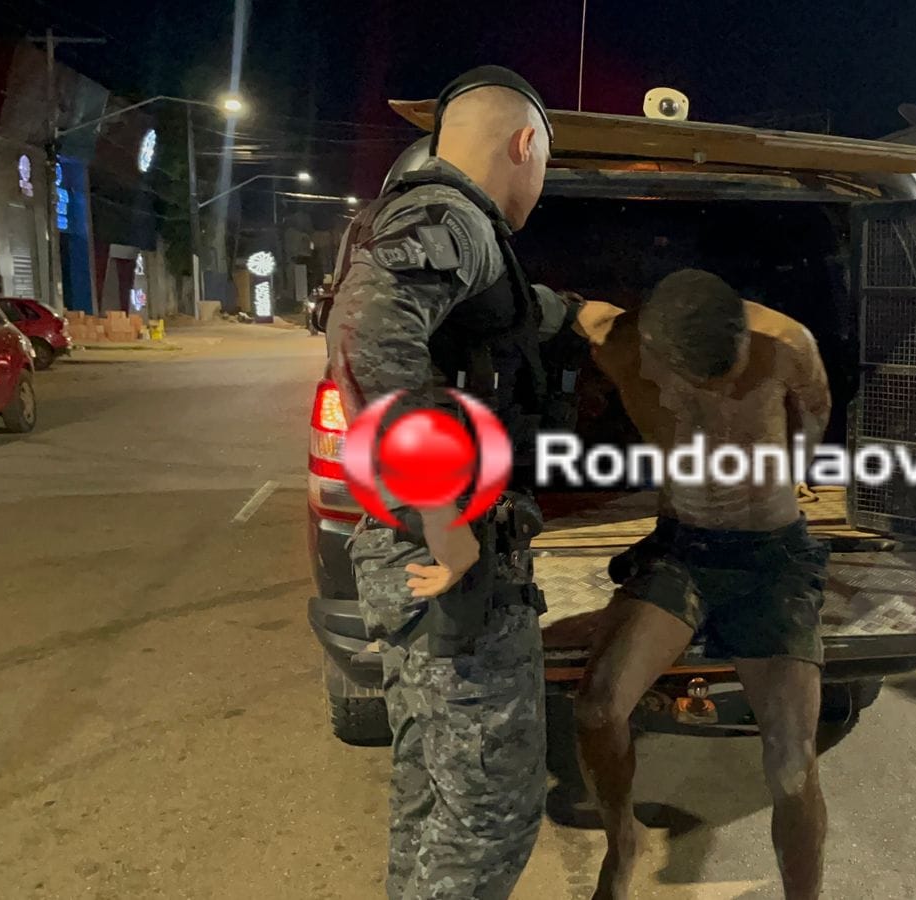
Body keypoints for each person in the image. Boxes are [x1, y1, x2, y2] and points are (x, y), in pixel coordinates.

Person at [325, 66, 584, 900]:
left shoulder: (452, 226)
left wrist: (572, 312)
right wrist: (441, 511)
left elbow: (490, 320)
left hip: (421, 561)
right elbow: (367, 330)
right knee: (490, 813)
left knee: (432, 792)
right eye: (546, 163)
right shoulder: (453, 216)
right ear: (525, 144)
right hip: (443, 562)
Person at [571, 269, 833, 900]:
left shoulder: (786, 343)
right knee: (597, 709)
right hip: (682, 550)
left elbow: (816, 412)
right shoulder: (617, 343)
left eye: (732, 372)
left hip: (773, 558)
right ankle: (623, 840)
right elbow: (567, 308)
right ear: (654, 351)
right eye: (701, 378)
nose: (722, 387)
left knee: (792, 767)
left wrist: (793, 469)